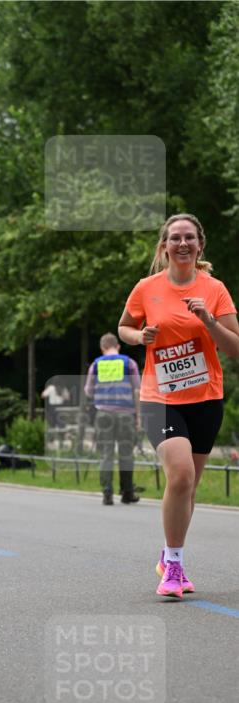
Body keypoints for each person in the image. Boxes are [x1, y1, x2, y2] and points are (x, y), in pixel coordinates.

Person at [118, 212, 239, 599]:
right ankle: (174, 566)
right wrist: (140, 336)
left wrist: (208, 321)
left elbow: (234, 348)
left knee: (187, 488)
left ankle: (169, 549)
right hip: (159, 398)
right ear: (164, 246)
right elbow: (124, 327)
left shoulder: (214, 289)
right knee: (182, 475)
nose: (182, 243)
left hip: (205, 399)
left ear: (199, 245)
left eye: (189, 237)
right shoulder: (146, 288)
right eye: (175, 238)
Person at [84, 333, 141, 505]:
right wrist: (138, 417)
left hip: (103, 415)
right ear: (118, 346)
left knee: (106, 454)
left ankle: (107, 492)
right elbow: (137, 391)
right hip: (126, 414)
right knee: (126, 454)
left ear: (102, 349)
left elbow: (88, 391)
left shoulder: (95, 365)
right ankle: (127, 492)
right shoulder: (129, 363)